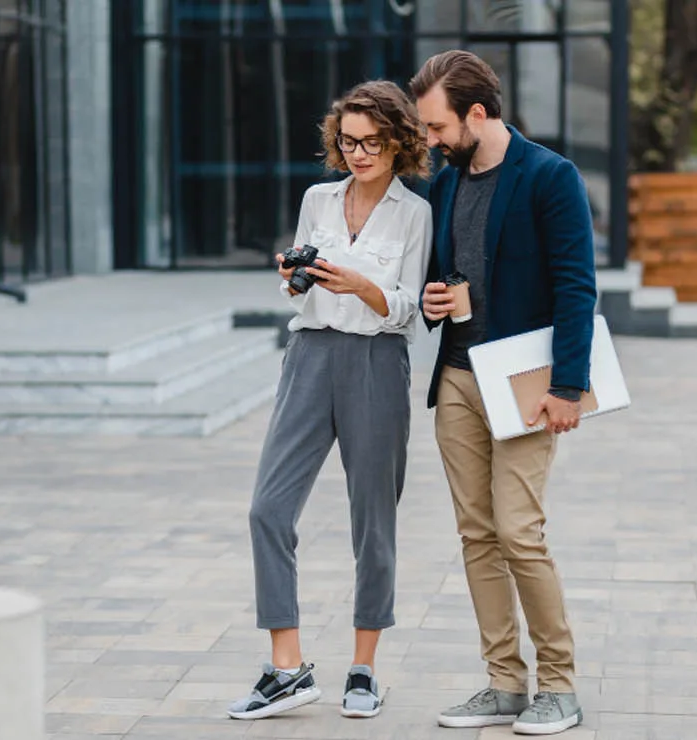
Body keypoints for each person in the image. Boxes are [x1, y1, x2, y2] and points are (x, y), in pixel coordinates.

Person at [226, 80, 433, 722]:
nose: (360, 153)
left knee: (372, 521)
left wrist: (362, 286)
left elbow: (407, 308)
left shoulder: (414, 212)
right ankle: (286, 669)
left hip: (375, 361)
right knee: (268, 508)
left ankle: (364, 668)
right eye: (349, 141)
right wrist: (294, 278)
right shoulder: (318, 199)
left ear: (398, 142)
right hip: (310, 356)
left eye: (373, 142)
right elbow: (301, 288)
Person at [410, 50, 598, 735]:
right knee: (477, 535)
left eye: (437, 128)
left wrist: (568, 387)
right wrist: (433, 302)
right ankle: (504, 684)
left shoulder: (551, 176)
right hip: (458, 379)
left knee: (520, 533)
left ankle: (559, 685)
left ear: (478, 114)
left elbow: (578, 284)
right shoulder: (445, 186)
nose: (430, 142)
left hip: (526, 383)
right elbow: (443, 278)